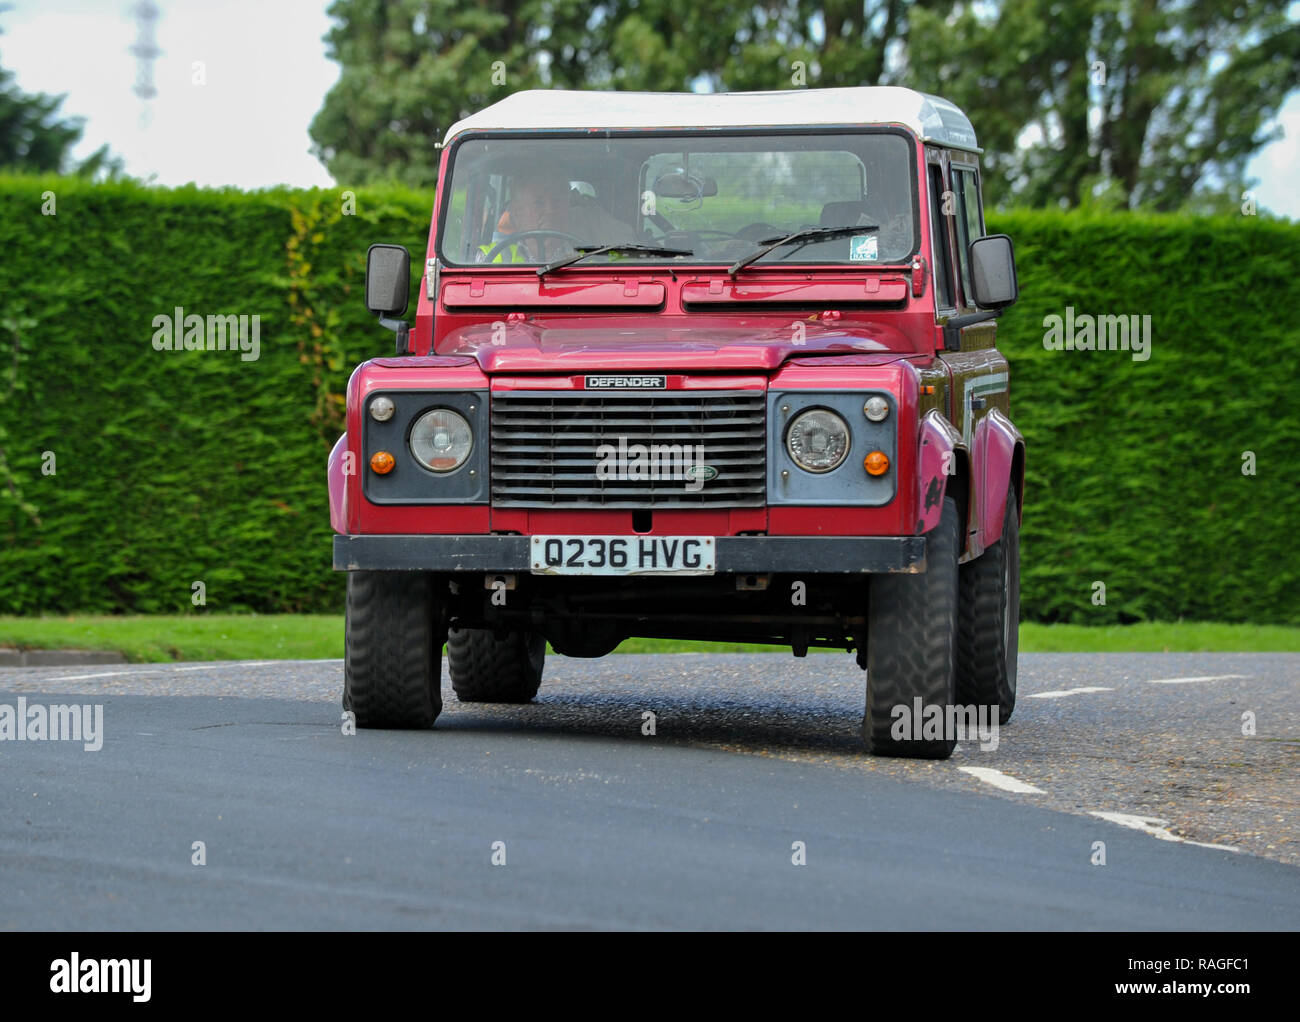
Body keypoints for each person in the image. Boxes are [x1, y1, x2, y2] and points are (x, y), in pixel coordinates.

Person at [478, 165, 635, 263]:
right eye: (538, 202)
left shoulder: (593, 256)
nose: (550, 210)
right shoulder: (489, 259)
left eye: (558, 201)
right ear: (517, 212)